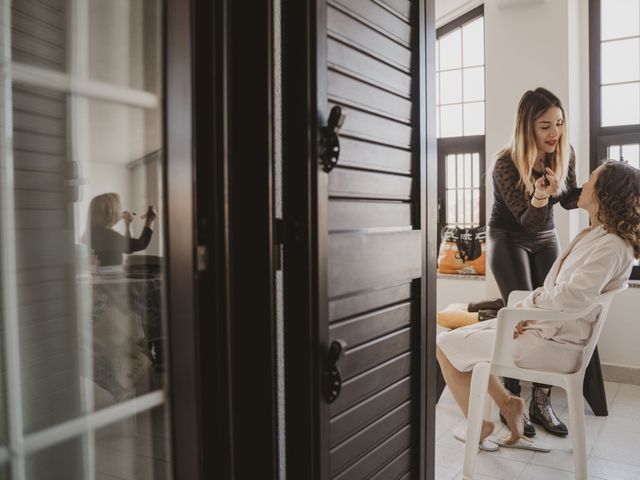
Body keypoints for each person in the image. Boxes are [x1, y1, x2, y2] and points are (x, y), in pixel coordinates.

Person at [436, 159, 640, 446]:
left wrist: (524, 313)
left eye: (591, 178)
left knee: (444, 345)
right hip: (548, 331)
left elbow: (569, 298)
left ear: (604, 193)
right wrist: (527, 315)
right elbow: (560, 294)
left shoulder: (611, 246)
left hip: (552, 343)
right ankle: (509, 404)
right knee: (453, 340)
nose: (583, 183)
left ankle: (484, 421)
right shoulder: (597, 236)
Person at [488, 88, 582, 437]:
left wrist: (597, 194)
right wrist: (542, 194)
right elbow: (527, 221)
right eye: (545, 126)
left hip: (545, 238)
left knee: (554, 313)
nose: (554, 133)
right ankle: (512, 400)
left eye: (559, 123)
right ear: (528, 127)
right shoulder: (505, 162)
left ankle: (541, 401)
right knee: (520, 312)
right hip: (509, 238)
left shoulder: (563, 152)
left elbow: (570, 199)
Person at [85, 192, 157, 267]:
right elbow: (141, 244)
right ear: (111, 212)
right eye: (120, 208)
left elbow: (127, 248)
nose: (122, 211)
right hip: (110, 278)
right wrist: (150, 220)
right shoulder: (108, 236)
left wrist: (128, 224)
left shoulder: (94, 233)